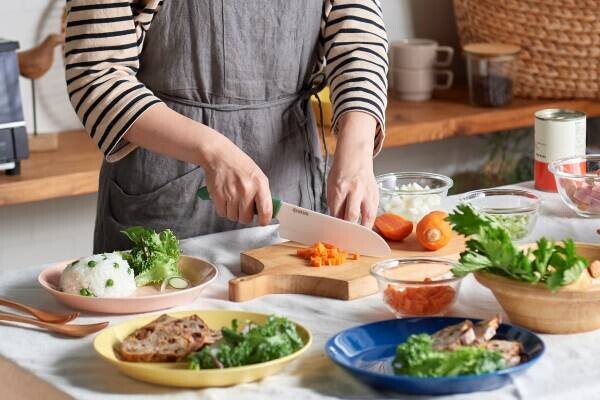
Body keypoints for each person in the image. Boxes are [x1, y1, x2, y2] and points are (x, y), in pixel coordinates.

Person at [64, 0, 388, 252]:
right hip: (168, 188)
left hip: (289, 176)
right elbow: (96, 72)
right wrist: (212, 151)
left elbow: (359, 44)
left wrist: (357, 154)